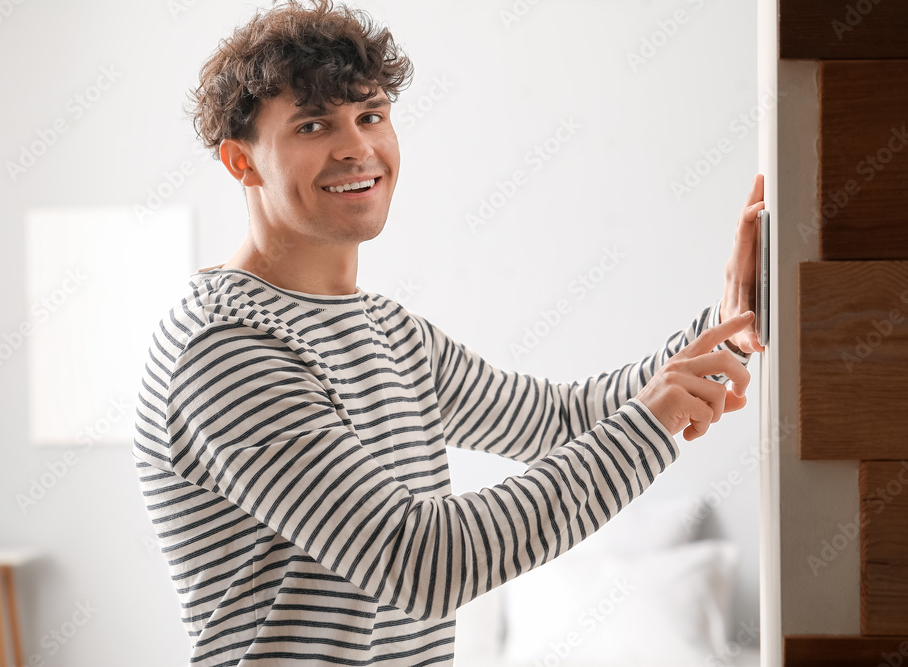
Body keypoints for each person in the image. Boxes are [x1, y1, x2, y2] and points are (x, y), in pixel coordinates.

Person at [131, 1, 766, 665]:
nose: (357, 147)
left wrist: (728, 325)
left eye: (370, 115)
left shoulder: (390, 331)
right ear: (241, 162)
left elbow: (560, 419)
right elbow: (420, 561)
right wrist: (648, 425)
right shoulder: (222, 348)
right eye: (314, 124)